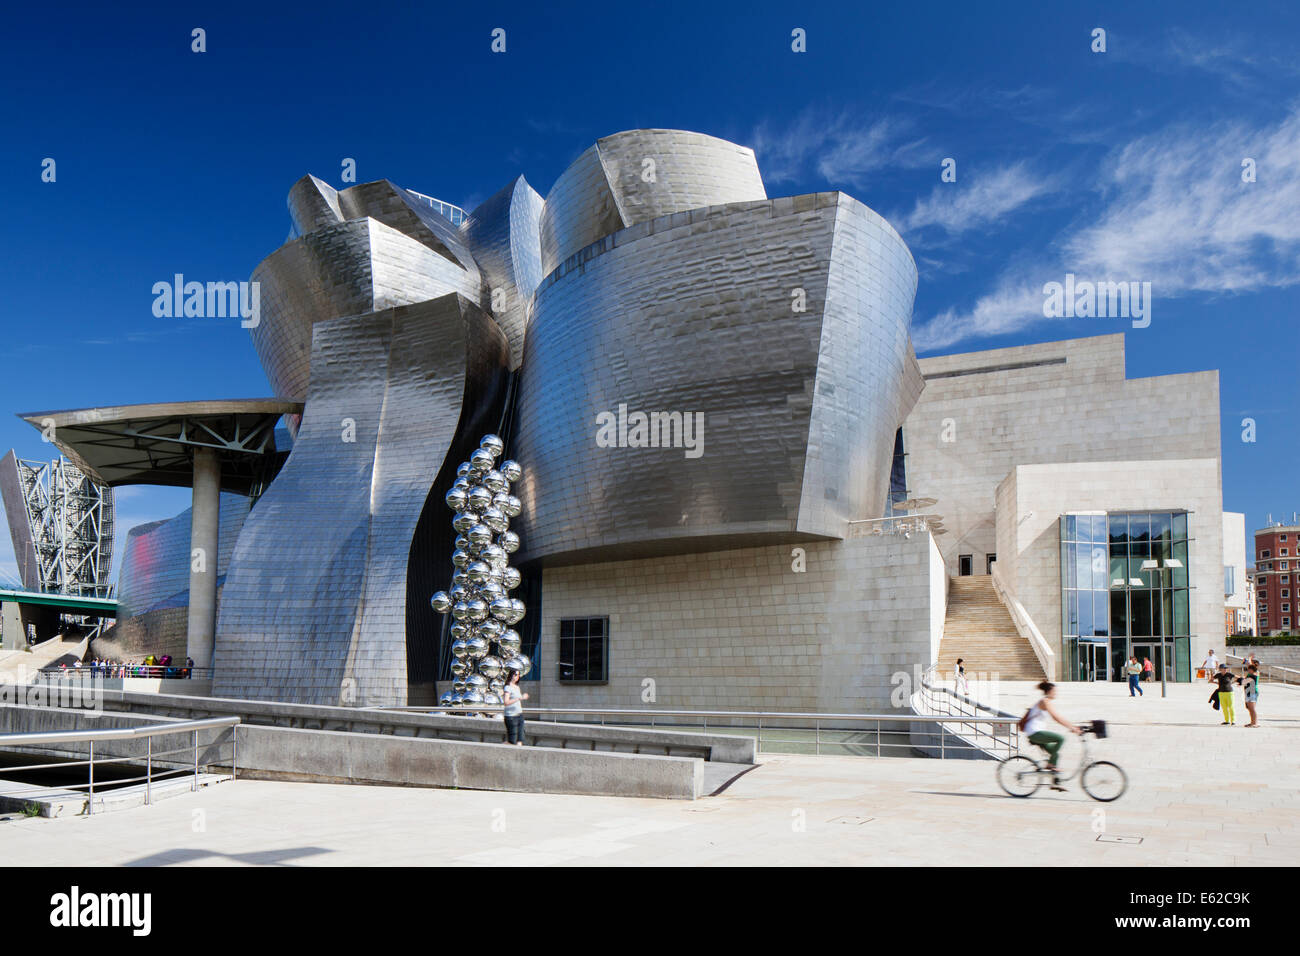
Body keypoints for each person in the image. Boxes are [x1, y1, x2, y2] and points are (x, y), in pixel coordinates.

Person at [1019, 681, 1081, 790]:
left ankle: (1054, 783)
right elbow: (1056, 717)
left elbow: (1057, 717)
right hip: (1035, 733)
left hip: (1037, 732)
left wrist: (1073, 727)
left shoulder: (1046, 702)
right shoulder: (1044, 701)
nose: (1056, 693)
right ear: (1049, 691)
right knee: (1060, 738)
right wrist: (1072, 728)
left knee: (1055, 753)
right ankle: (1050, 766)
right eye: (1054, 691)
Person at [502, 670, 528, 745]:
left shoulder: (517, 687)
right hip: (511, 716)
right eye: (515, 674)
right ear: (511, 675)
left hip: (519, 715)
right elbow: (506, 702)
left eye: (518, 675)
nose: (517, 676)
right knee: (512, 741)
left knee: (520, 739)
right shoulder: (508, 687)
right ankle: (499, 749)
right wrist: (520, 698)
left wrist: (522, 697)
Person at [1243, 663, 1260, 728]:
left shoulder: (1254, 675)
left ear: (1252, 670)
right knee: (1249, 708)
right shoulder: (1250, 675)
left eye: (1249, 669)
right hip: (1248, 692)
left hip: (1252, 692)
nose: (1248, 670)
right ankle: (1252, 722)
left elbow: (1244, 682)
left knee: (1252, 709)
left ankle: (1255, 723)